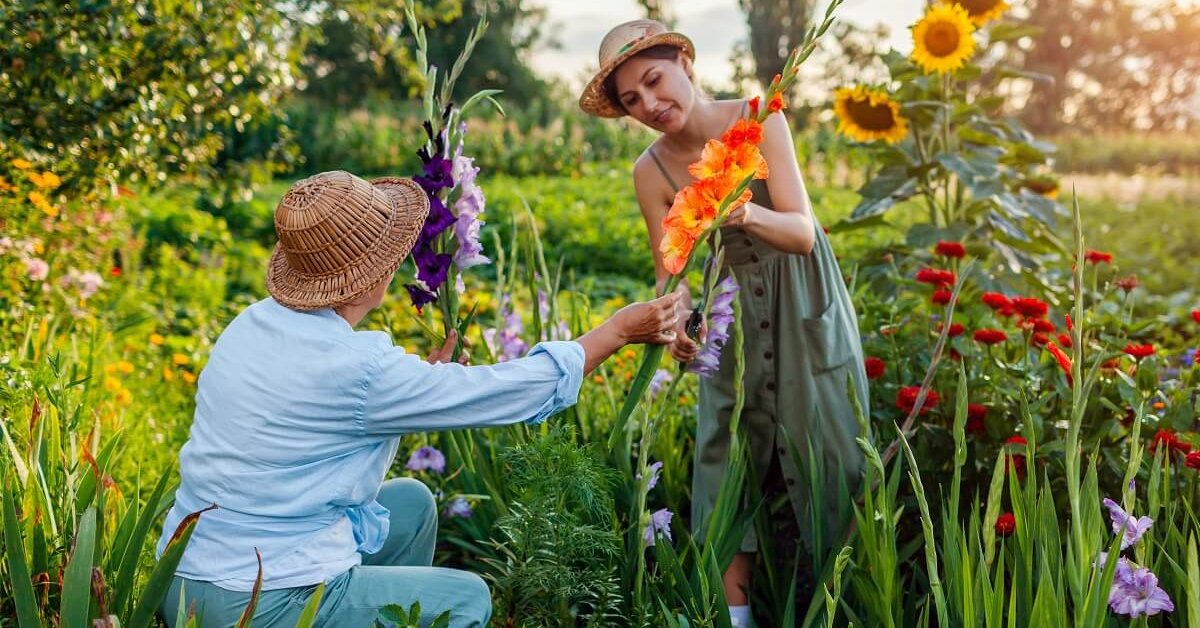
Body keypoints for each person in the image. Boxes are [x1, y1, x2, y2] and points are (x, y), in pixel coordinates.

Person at [156, 170, 681, 627]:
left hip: (181, 577)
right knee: (467, 600)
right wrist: (616, 331)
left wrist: (423, 384)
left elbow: (310, 417)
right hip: (256, 602)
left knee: (410, 503)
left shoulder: (251, 323)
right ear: (373, 277)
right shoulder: (363, 369)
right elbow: (508, 392)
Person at [578, 19, 868, 625]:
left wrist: (744, 215)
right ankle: (736, 620)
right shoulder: (650, 172)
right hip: (728, 315)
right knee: (723, 453)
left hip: (799, 302)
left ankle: (839, 604)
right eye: (632, 100)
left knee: (826, 447)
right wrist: (676, 320)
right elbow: (671, 271)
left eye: (655, 81)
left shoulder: (759, 120)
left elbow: (803, 231)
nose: (650, 105)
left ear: (686, 65)